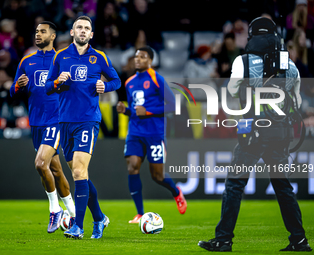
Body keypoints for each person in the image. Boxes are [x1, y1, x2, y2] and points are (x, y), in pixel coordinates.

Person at [198, 17, 312, 252]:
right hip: (281, 133)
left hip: (253, 131)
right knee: (283, 187)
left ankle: (223, 239)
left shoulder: (243, 62)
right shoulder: (290, 65)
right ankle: (299, 240)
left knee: (235, 184)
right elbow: (297, 102)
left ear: (252, 36)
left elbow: (231, 90)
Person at [45, 15, 121, 239]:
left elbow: (117, 81)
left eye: (87, 28)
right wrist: (58, 81)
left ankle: (78, 226)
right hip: (64, 121)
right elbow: (48, 87)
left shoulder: (99, 57)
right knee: (81, 175)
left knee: (78, 171)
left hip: (88, 120)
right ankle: (100, 218)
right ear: (72, 32)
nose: (82, 31)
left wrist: (105, 86)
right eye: (79, 27)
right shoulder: (60, 56)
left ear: (91, 34)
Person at [10, 21, 76, 233]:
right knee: (55, 169)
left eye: (43, 31)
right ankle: (75, 214)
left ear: (53, 36)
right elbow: (13, 91)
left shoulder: (64, 60)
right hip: (36, 122)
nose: (38, 35)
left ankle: (55, 209)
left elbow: (75, 89)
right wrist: (18, 86)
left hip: (56, 120)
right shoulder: (27, 61)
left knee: (40, 164)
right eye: (36, 31)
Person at [116, 46, 187, 224]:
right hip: (135, 132)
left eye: (143, 56)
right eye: (136, 56)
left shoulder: (157, 79)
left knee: (158, 176)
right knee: (132, 167)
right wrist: (125, 110)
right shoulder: (129, 82)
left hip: (155, 133)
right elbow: (135, 111)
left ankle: (176, 192)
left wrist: (147, 111)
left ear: (151, 61)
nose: (138, 59)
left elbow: (172, 105)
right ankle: (140, 213)